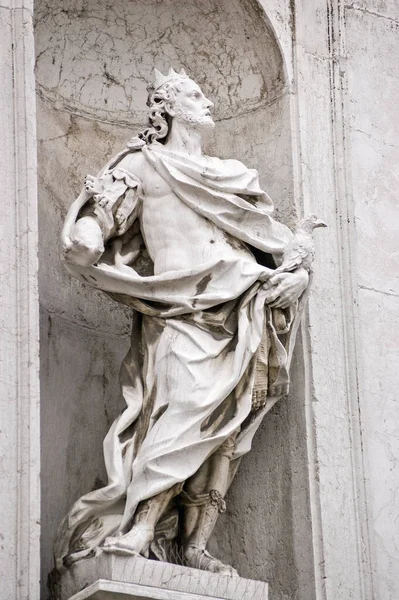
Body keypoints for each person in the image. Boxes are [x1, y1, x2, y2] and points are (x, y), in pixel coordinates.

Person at [55, 68, 310, 576]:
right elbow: (106, 215)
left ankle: (195, 544)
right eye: (195, 94)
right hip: (181, 306)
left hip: (245, 303)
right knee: (181, 413)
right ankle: (142, 526)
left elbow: (273, 243)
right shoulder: (142, 163)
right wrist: (87, 230)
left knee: (231, 430)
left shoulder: (233, 174)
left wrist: (296, 275)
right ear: (166, 107)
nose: (208, 100)